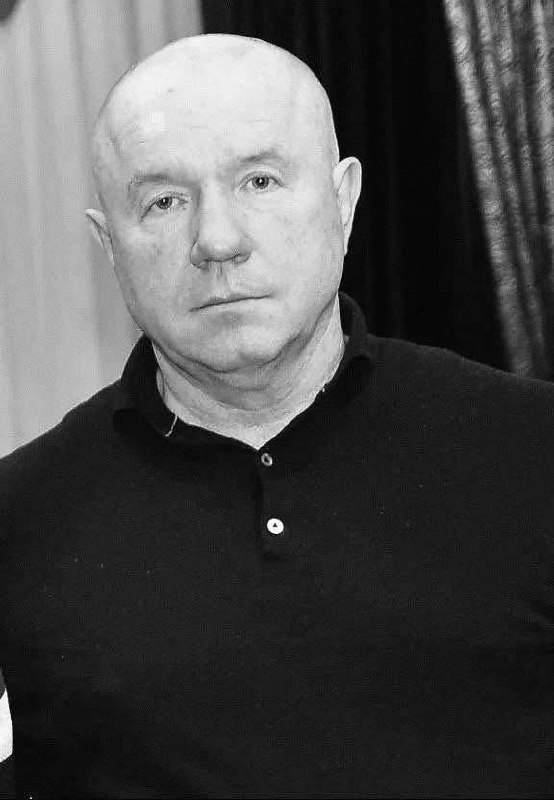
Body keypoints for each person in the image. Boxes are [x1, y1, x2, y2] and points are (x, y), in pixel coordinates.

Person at [1, 32, 554, 799]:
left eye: (259, 181)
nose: (217, 240)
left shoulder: (531, 452)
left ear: (344, 201)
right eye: (164, 201)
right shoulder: (21, 518)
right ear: (108, 244)